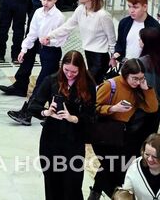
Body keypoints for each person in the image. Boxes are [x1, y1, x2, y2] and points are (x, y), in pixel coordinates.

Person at [90, 58, 158, 200]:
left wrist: (146, 89)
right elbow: (93, 108)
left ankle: (97, 192)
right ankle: (99, 193)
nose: (137, 82)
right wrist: (113, 108)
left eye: (141, 78)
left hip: (122, 136)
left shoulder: (138, 89)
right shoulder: (110, 85)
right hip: (105, 136)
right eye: (135, 78)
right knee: (110, 166)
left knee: (114, 167)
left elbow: (152, 108)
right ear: (125, 74)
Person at [39, 51, 95, 200]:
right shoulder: (51, 81)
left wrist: (73, 118)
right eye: (66, 70)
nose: (69, 74)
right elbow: (33, 106)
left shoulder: (88, 85)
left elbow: (91, 116)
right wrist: (47, 112)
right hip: (51, 138)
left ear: (81, 69)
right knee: (52, 180)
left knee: (73, 183)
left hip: (74, 139)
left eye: (74, 72)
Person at [122, 134, 160, 200]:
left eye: (154, 156)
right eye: (147, 154)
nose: (150, 159)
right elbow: (126, 193)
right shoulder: (134, 167)